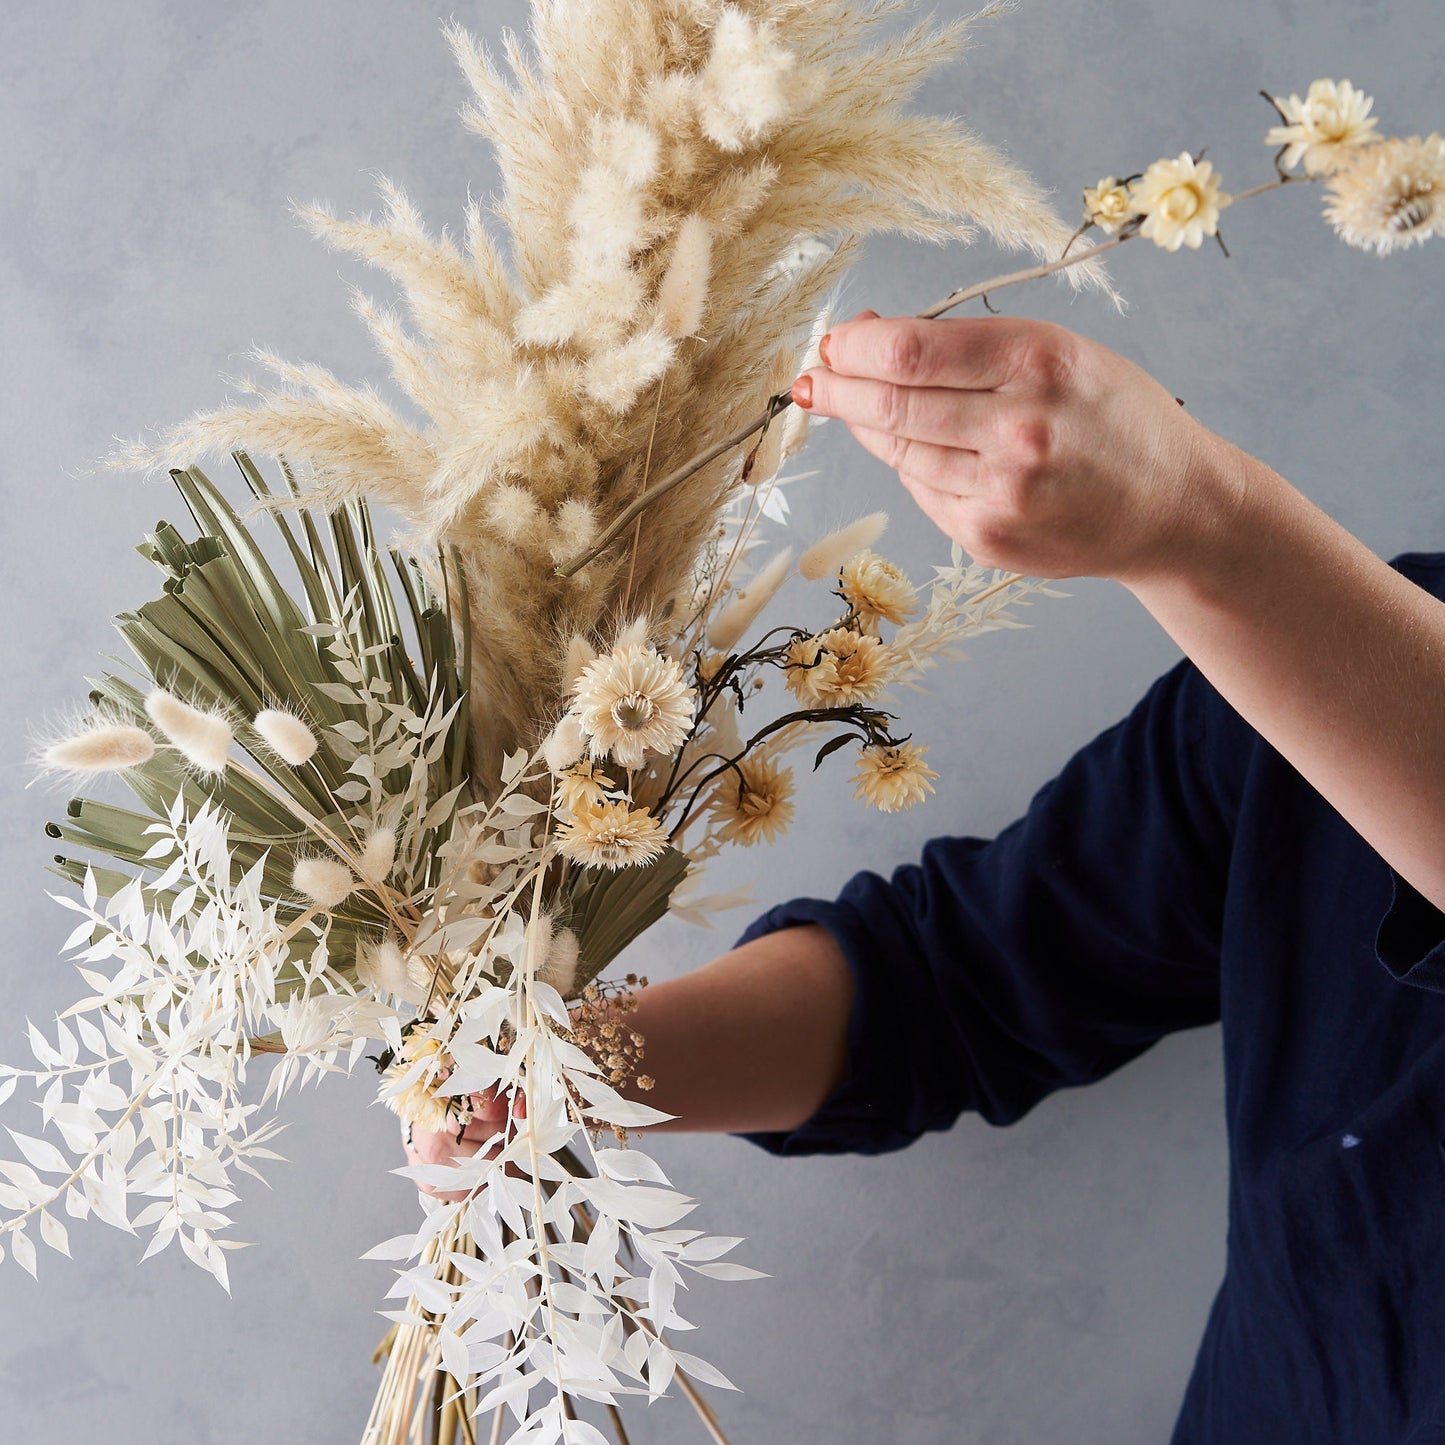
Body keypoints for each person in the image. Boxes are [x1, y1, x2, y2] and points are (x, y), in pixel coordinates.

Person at [407, 314, 1445, 1442]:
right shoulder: (1328, 663)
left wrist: (1207, 528)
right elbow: (956, 980)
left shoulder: (1314, 626)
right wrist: (569, 1064)